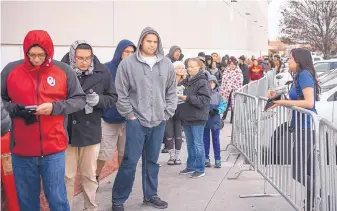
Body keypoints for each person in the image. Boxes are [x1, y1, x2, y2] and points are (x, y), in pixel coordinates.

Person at [1, 30, 86, 211]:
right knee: (27, 201)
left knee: (58, 200)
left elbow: (79, 100)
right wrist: (15, 109)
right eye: (32, 55)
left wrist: (54, 108)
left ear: (49, 52)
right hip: (22, 150)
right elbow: (2, 100)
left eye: (41, 55)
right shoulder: (11, 70)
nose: (37, 59)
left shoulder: (63, 71)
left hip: (53, 149)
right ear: (25, 52)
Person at [111, 27, 177, 211]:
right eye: (149, 41)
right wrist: (130, 116)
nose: (152, 45)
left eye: (155, 41)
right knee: (130, 162)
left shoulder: (166, 64)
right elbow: (121, 93)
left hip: (158, 120)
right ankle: (118, 199)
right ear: (141, 41)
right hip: (136, 122)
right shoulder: (128, 64)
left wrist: (167, 113)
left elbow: (172, 91)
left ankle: (150, 195)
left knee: (152, 161)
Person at [61, 40, 118, 210]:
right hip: (67, 130)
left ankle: (91, 207)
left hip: (90, 129)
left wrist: (99, 100)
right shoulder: (61, 71)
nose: (85, 62)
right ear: (73, 57)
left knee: (89, 175)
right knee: (68, 176)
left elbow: (113, 97)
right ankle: (66, 207)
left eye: (88, 58)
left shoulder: (102, 71)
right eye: (80, 58)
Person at [267, 48, 319, 211]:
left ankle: (322, 195)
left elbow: (309, 103)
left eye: (290, 59)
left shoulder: (304, 75)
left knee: (297, 171)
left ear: (299, 61)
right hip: (302, 126)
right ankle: (311, 205)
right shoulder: (298, 76)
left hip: (306, 127)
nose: (288, 61)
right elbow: (298, 99)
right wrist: (279, 97)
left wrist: (283, 103)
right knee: (308, 171)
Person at [97, 39, 136, 181]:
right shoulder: (106, 68)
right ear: (120, 52)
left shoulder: (136, 70)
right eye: (127, 51)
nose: (129, 54)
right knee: (103, 154)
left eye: (132, 52)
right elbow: (99, 92)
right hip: (109, 119)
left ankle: (121, 184)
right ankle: (94, 181)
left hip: (128, 120)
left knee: (124, 155)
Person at [177, 58, 211, 178]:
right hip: (186, 116)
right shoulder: (185, 81)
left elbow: (205, 100)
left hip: (197, 117)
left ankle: (200, 168)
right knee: (190, 144)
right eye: (188, 66)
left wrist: (188, 98)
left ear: (199, 68)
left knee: (197, 144)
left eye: (192, 66)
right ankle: (191, 166)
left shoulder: (202, 82)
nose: (189, 68)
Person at [166, 61, 186, 165]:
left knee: (178, 134)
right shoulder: (168, 81)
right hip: (168, 110)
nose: (181, 69)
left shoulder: (186, 82)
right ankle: (171, 156)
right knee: (169, 134)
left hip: (180, 110)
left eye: (182, 68)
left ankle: (177, 157)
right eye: (178, 68)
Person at [204, 75, 226, 168]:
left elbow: (223, 105)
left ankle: (217, 159)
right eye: (209, 82)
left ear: (215, 84)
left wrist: (218, 110)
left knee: (216, 140)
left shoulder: (219, 95)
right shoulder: (203, 94)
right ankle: (206, 158)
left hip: (215, 120)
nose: (211, 84)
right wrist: (207, 109)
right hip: (205, 119)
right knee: (205, 140)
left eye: (212, 82)